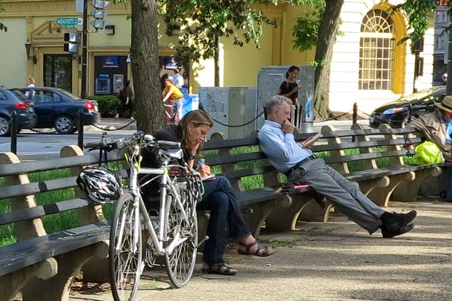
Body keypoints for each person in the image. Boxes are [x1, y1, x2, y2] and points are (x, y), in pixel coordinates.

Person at [259, 94, 416, 238]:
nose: (289, 118)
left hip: (314, 163)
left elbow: (289, 150)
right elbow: (285, 156)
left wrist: (302, 146)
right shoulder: (267, 133)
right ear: (275, 112)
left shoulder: (280, 130)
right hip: (303, 170)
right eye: (286, 113)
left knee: (351, 188)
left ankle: (385, 218)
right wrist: (289, 134)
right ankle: (384, 224)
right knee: (342, 196)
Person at [155, 109, 272, 276]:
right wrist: (195, 171)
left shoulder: (189, 142)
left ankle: (214, 261)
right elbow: (175, 173)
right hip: (164, 196)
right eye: (201, 132)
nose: (202, 138)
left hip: (181, 194)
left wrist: (196, 163)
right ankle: (245, 237)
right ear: (190, 125)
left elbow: (186, 173)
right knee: (222, 182)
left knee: (221, 199)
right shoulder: (167, 137)